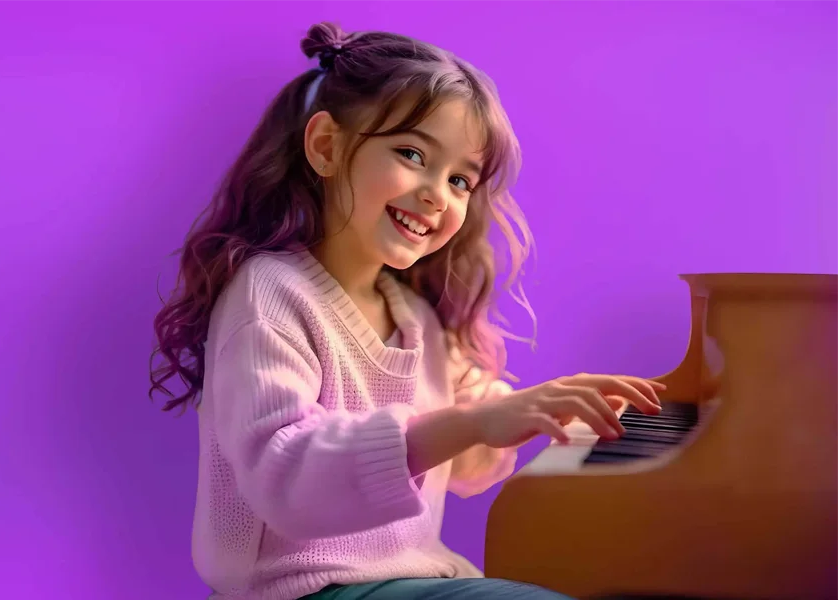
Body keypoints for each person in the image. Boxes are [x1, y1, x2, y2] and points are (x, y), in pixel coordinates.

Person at [148, 22, 666, 600]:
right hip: (297, 589)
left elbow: (469, 466)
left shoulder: (419, 320)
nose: (437, 194)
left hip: (413, 577)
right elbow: (286, 479)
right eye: (412, 154)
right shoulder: (271, 292)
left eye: (460, 180)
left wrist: (539, 416)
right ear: (326, 147)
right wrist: (475, 423)